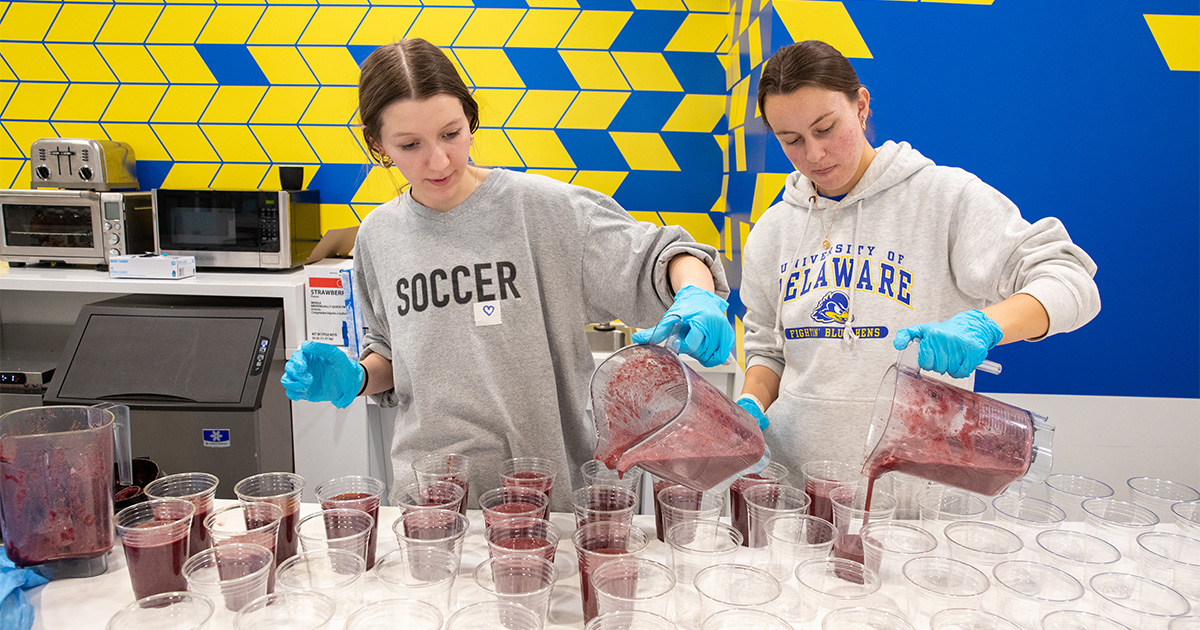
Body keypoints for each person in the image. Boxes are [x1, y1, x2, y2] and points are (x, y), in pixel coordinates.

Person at [281, 38, 734, 510]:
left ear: (471, 120)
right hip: (432, 500)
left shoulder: (540, 210)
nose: (438, 160)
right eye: (410, 145)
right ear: (378, 145)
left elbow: (667, 257)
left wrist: (698, 295)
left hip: (545, 494)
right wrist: (354, 378)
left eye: (451, 133)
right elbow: (393, 357)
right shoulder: (379, 236)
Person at [734, 40, 1100, 474]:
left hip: (921, 494)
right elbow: (767, 350)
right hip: (799, 490)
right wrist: (752, 401)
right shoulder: (773, 231)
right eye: (791, 140)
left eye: (826, 128)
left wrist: (986, 327)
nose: (813, 154)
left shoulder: (943, 198)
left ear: (861, 106)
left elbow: (1071, 279)